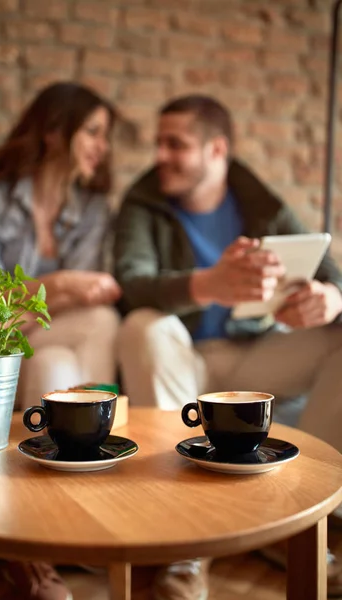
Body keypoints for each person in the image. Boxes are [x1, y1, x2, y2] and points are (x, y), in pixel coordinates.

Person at [114, 94, 342, 599]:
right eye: (159, 142)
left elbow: (334, 276)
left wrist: (328, 298)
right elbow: (131, 283)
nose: (161, 155)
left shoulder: (260, 202)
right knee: (142, 327)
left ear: (217, 150)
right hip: (183, 359)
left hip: (254, 359)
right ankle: (184, 544)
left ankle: (302, 518)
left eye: (176, 144)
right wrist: (207, 285)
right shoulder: (143, 203)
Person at [0, 82, 122, 600]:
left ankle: (40, 541)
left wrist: (39, 298)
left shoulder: (94, 209)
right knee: (88, 323)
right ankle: (61, 531)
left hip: (48, 339)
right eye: (93, 132)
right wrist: (57, 287)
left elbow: (90, 290)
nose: (102, 146)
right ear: (54, 132)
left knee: (59, 360)